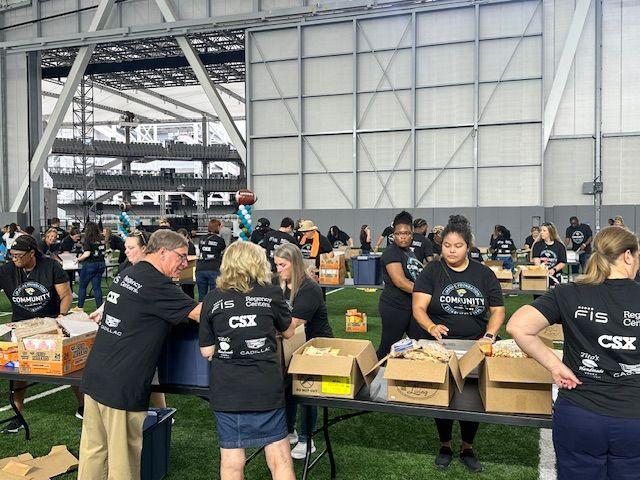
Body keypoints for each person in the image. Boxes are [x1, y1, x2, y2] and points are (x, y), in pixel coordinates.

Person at [507, 226, 640, 480]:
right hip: (633, 418)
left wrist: (555, 366)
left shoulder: (568, 292)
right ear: (627, 256)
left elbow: (518, 326)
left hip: (580, 414)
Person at [79, 230, 202, 480]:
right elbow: (200, 314)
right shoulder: (156, 283)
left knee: (94, 452)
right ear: (163, 252)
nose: (185, 263)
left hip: (96, 377)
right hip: (122, 384)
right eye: (181, 256)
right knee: (123, 461)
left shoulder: (128, 273)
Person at [411, 215, 505, 473]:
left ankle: (467, 447)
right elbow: (418, 306)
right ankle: (445, 445)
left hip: (475, 345)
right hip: (440, 346)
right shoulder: (431, 271)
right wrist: (431, 326)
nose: (451, 251)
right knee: (442, 395)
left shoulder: (483, 273)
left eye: (458, 246)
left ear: (468, 247)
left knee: (471, 398)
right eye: (447, 245)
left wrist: (489, 335)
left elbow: (497, 310)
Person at [199, 241, 296, 480]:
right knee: (280, 458)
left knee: (232, 462)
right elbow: (289, 332)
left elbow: (206, 351)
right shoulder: (271, 293)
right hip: (265, 387)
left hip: (228, 390)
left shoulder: (212, 299)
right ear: (258, 263)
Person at [0, 235, 78, 433]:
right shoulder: (7, 270)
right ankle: (18, 412)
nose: (14, 258)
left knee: (69, 366)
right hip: (21, 326)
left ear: (31, 253)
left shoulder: (50, 266)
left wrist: (61, 317)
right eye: (12, 255)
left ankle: (84, 406)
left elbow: (66, 294)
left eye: (18, 255)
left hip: (50, 322)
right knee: (20, 370)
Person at [274, 243, 334, 459]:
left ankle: (307, 440)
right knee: (287, 388)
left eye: (282, 265)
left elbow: (292, 325)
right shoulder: (279, 284)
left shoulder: (309, 288)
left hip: (316, 346)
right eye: (277, 265)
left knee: (307, 391)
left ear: (295, 263)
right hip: (292, 345)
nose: (278, 269)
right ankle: (289, 431)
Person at [376, 211, 424, 359]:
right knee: (388, 347)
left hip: (411, 307)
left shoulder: (409, 251)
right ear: (393, 235)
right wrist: (426, 293)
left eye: (407, 233)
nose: (402, 236)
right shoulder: (391, 252)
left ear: (412, 234)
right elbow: (400, 282)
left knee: (419, 344)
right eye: (398, 233)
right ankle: (369, 376)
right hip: (394, 307)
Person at [75, 221, 106, 311]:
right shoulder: (101, 238)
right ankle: (99, 308)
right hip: (101, 263)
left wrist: (78, 259)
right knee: (97, 287)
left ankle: (80, 307)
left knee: (82, 286)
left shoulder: (88, 238)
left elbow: (87, 253)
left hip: (90, 264)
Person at [195, 219, 226, 299]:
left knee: (202, 296)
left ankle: (202, 310)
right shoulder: (220, 240)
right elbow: (223, 251)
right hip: (213, 268)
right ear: (217, 227)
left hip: (200, 268)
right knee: (214, 296)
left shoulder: (202, 238)